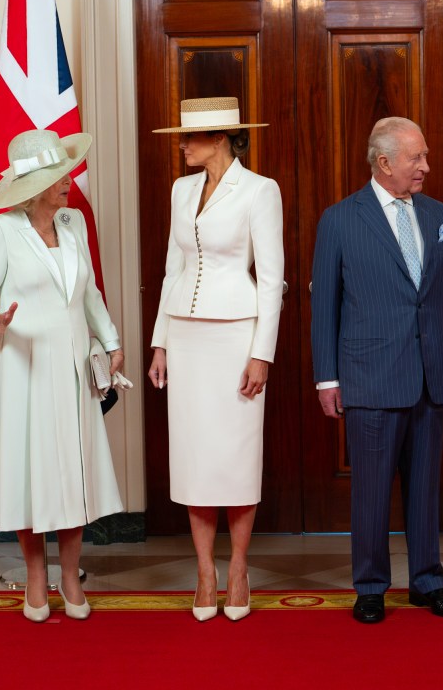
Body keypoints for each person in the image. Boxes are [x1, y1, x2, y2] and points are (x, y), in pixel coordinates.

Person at [310, 116, 443, 624]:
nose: (425, 166)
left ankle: (428, 581)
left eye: (423, 156)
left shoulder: (438, 214)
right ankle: (371, 586)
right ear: (384, 163)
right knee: (372, 490)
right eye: (415, 158)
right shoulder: (339, 220)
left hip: (430, 374)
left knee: (425, 488)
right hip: (369, 377)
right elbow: (325, 309)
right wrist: (327, 379)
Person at [0, 129, 125, 623]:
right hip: (24, 370)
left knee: (73, 475)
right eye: (59, 177)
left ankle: (70, 577)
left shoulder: (72, 223)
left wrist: (113, 342)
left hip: (74, 368)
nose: (68, 183)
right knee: (30, 474)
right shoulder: (1, 230)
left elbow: (89, 292)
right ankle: (36, 578)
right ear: (33, 186)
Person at [148, 97, 284, 622]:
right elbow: (172, 270)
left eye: (189, 136)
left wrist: (261, 354)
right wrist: (160, 343)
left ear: (222, 138)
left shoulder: (259, 190)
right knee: (194, 457)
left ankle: (239, 568)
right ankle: (204, 571)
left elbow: (271, 279)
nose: (182, 144)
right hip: (185, 338)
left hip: (236, 340)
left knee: (236, 457)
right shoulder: (183, 189)